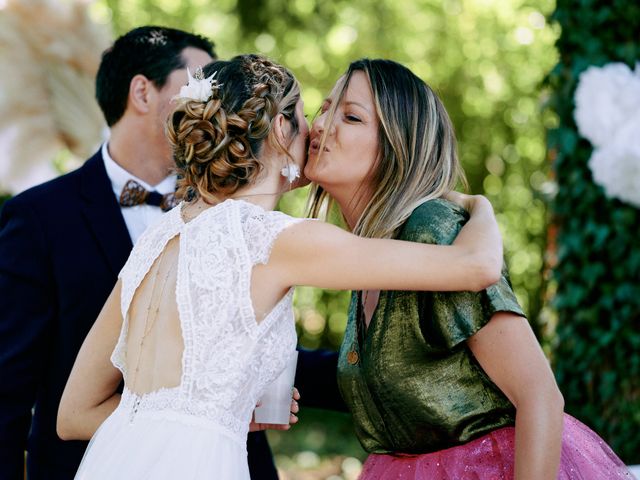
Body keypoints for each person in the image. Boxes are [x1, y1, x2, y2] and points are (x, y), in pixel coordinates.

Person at [56, 54, 504, 479]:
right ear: (276, 130)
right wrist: (476, 204)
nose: (316, 130)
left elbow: (74, 414)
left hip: (115, 460)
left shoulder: (157, 239)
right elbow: (476, 266)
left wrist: (213, 413)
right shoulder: (278, 239)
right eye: (306, 115)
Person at [304, 58, 635, 479]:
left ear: (398, 146)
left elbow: (540, 396)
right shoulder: (371, 251)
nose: (321, 126)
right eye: (323, 109)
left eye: (350, 116)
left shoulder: (435, 230)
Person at [0, 27, 299, 480]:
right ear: (142, 92)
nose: (214, 97)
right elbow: (8, 390)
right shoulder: (38, 218)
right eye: (199, 79)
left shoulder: (232, 211)